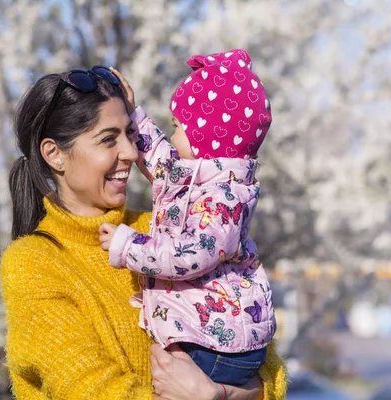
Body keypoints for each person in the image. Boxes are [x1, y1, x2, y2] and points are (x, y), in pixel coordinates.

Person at [0, 65, 287, 399]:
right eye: (109, 140)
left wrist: (216, 395)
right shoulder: (33, 264)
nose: (132, 152)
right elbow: (91, 389)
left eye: (129, 134)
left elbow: (267, 367)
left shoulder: (166, 236)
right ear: (54, 154)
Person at [99, 49, 275, 389]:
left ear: (206, 137)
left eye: (179, 127)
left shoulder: (223, 197)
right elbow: (161, 163)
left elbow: (189, 255)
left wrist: (128, 245)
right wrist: (134, 115)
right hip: (211, 338)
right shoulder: (206, 178)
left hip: (215, 347)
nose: (172, 136)